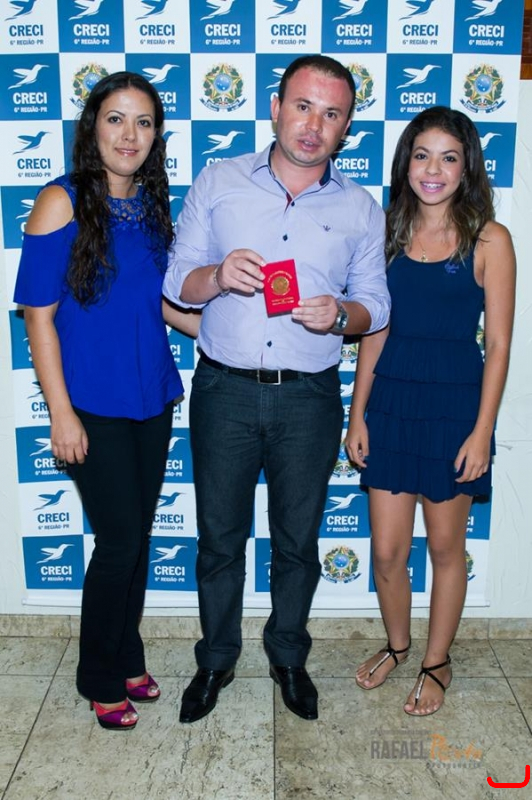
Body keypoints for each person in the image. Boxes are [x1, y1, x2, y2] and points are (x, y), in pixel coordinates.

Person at [163, 54, 390, 723]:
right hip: (225, 390)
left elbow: (375, 305)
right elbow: (176, 281)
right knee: (219, 540)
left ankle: (288, 656)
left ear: (346, 127)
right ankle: (215, 660)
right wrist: (217, 276)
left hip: (309, 398)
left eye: (332, 113)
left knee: (297, 541)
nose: (313, 125)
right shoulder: (219, 180)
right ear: (275, 108)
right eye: (303, 106)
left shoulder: (360, 207)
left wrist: (340, 315)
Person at [14, 71, 199, 730]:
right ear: (93, 127)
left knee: (135, 540)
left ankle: (126, 656)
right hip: (91, 403)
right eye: (116, 119)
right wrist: (61, 413)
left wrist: (234, 333)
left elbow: (162, 304)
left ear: (156, 136)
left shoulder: (151, 206)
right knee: (119, 543)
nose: (129, 134)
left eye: (143, 122)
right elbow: (37, 315)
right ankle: (99, 675)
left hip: (152, 397)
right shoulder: (59, 201)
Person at [345, 106, 515, 716]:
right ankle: (398, 645)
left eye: (448, 157)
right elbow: (374, 332)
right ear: (406, 164)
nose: (433, 169)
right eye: (422, 155)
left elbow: (499, 346)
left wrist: (482, 432)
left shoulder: (491, 239)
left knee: (445, 548)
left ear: (467, 166)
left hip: (453, 410)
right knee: (387, 552)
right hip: (391, 404)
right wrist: (357, 414)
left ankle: (436, 661)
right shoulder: (386, 231)